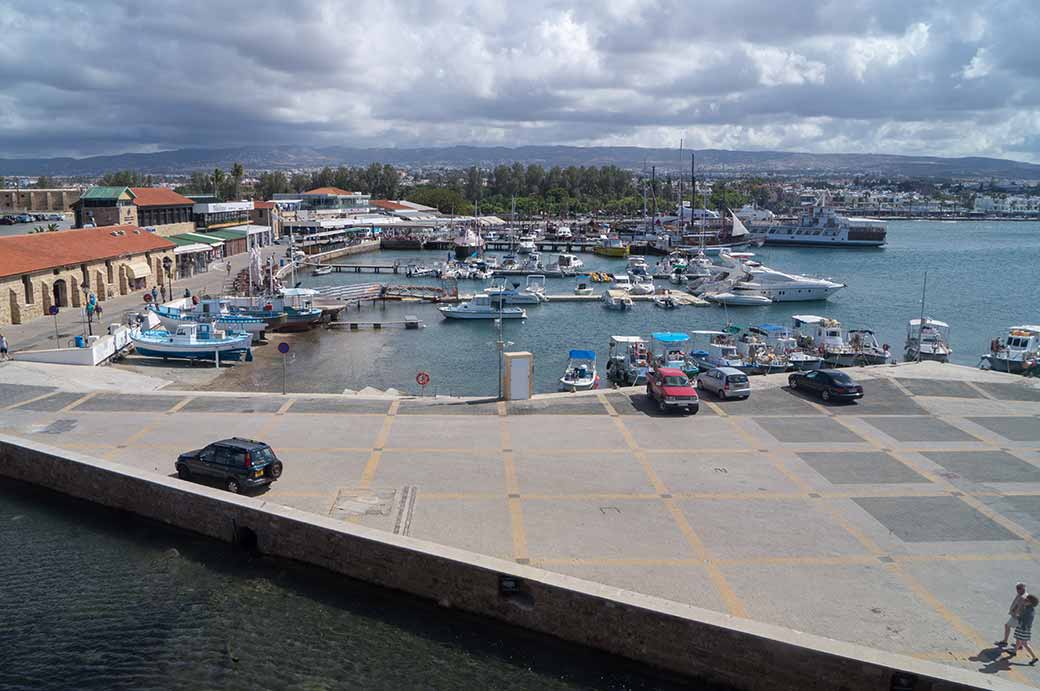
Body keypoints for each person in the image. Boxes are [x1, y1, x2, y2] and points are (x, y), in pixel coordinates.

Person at [1005, 595, 1039, 664]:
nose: (1024, 601)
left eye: (1026, 600)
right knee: (1018, 639)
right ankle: (1014, 651)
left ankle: (1034, 657)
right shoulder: (1028, 608)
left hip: (1023, 628)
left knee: (1024, 643)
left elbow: (1025, 619)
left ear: (1031, 603)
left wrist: (1016, 616)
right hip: (1023, 628)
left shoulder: (1029, 611)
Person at [999, 583, 1029, 648]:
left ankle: (1006, 641)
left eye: (1018, 589)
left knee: (1008, 626)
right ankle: (1019, 645)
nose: (1017, 590)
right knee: (1018, 630)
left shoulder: (1022, 597)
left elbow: (1019, 607)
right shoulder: (1022, 594)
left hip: (1017, 616)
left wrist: (1014, 614)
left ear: (1022, 589)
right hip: (1019, 616)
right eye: (1017, 588)